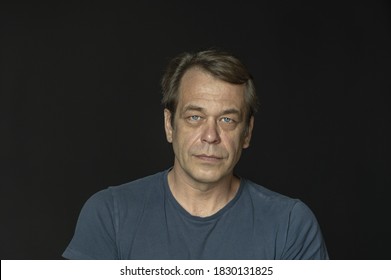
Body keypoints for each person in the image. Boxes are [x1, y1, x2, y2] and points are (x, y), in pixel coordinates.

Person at [63, 49, 329, 260]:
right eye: (194, 117)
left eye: (227, 120)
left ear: (247, 133)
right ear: (170, 125)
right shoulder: (110, 214)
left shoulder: (290, 225)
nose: (210, 135)